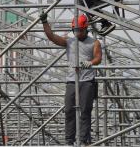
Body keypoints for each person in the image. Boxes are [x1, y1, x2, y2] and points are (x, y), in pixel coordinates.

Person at [40, 12, 102, 145]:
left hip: (87, 82)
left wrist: (90, 62)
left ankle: (84, 139)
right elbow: (52, 37)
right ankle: (69, 140)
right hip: (72, 81)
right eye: (75, 30)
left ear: (86, 28)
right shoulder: (69, 41)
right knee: (69, 110)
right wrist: (45, 22)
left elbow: (98, 57)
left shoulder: (94, 42)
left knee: (85, 111)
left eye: (79, 30)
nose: (77, 33)